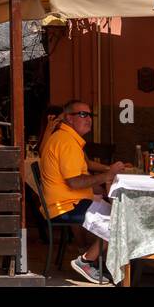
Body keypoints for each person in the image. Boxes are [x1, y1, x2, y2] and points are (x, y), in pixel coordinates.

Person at [40, 98, 129, 284]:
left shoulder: (68, 138)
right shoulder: (66, 142)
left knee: (121, 214)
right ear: (68, 118)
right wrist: (107, 175)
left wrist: (108, 171)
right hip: (64, 206)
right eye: (82, 114)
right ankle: (86, 260)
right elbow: (74, 182)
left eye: (89, 114)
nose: (87, 118)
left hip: (71, 200)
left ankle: (98, 259)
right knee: (120, 220)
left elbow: (85, 167)